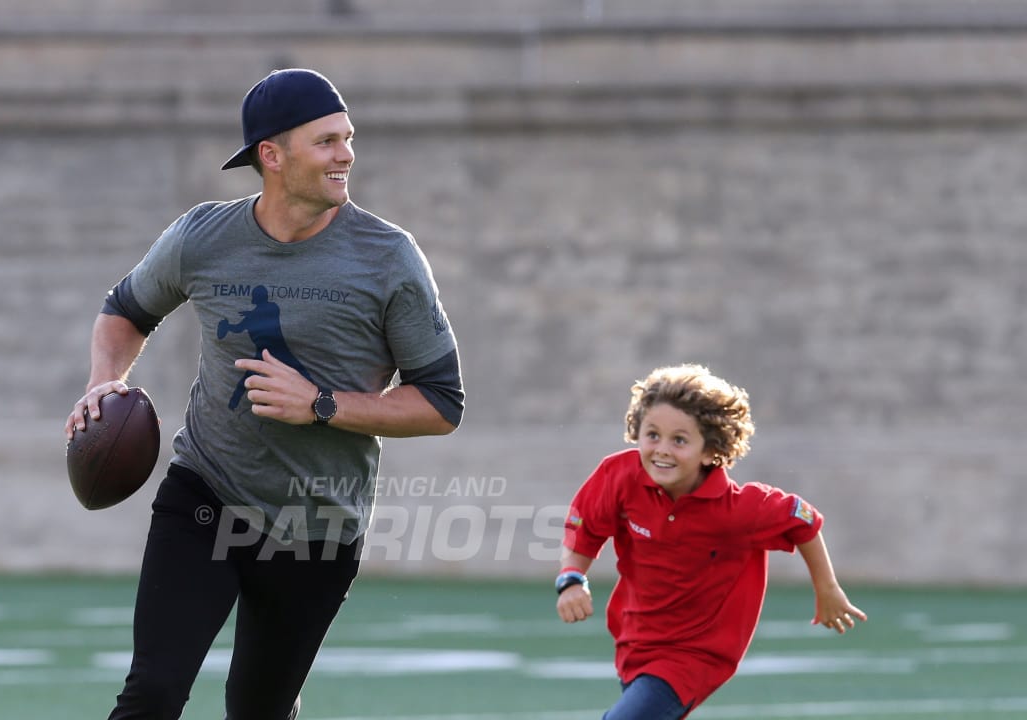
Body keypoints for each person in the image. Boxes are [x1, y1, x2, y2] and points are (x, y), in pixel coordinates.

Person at [64, 68, 463, 720]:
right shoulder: (203, 237)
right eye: (327, 141)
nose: (347, 155)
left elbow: (442, 403)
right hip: (206, 496)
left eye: (348, 137)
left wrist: (322, 404)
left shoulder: (388, 258)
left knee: (258, 710)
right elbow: (123, 312)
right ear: (271, 157)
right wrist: (106, 383)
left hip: (318, 524)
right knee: (153, 693)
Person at [555, 364, 866, 720]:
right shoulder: (620, 476)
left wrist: (827, 589)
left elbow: (803, 518)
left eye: (680, 440)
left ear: (710, 450)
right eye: (652, 434)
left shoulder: (740, 509)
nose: (662, 450)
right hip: (634, 642)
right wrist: (571, 579)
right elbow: (585, 530)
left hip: (697, 655)